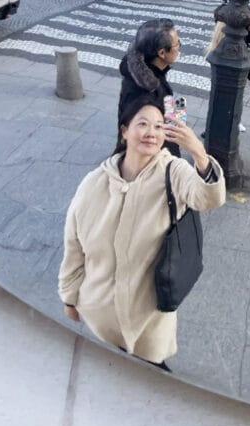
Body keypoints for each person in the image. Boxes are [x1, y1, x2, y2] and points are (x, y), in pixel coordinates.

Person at [58, 98, 225, 370]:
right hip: (100, 315)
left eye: (159, 126)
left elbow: (209, 198)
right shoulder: (94, 183)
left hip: (148, 316)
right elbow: (74, 245)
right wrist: (69, 297)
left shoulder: (174, 171)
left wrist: (197, 151)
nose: (152, 132)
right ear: (124, 131)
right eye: (143, 124)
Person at [118, 19, 182, 154]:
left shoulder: (145, 74)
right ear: (162, 53)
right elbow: (149, 138)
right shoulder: (147, 93)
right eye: (177, 44)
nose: (179, 48)